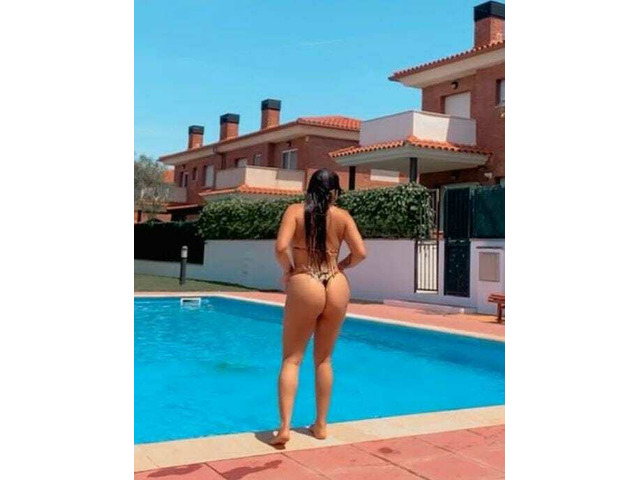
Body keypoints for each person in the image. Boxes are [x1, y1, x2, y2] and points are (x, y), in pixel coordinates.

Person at [271, 168, 367, 446]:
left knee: (292, 359)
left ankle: (285, 428)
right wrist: (341, 265)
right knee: (324, 360)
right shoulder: (343, 217)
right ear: (335, 192)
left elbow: (280, 247)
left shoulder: (295, 212)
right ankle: (321, 425)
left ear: (309, 188)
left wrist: (289, 270)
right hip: (336, 282)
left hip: (305, 280)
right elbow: (361, 253)